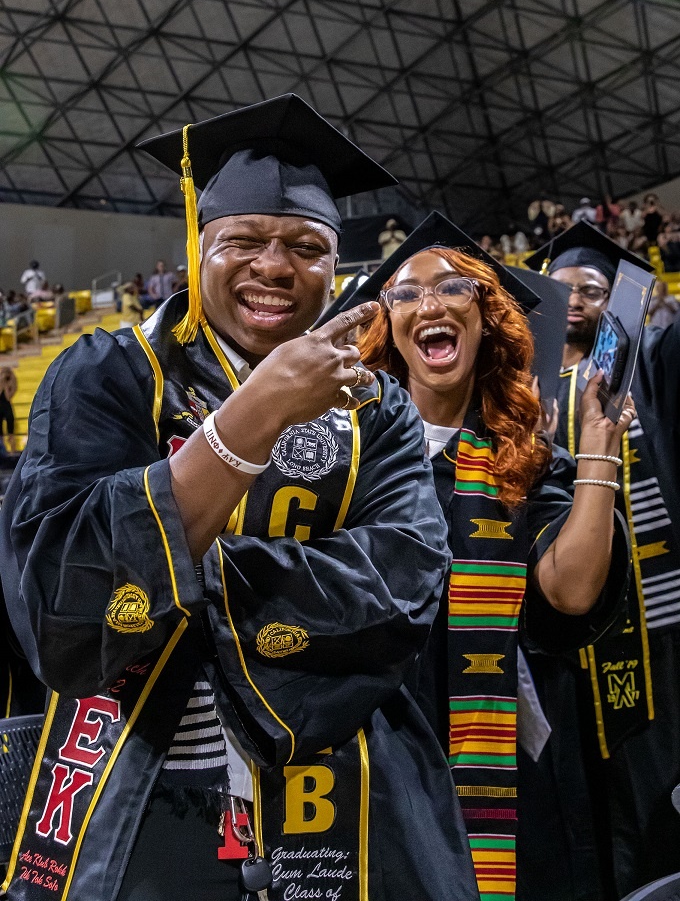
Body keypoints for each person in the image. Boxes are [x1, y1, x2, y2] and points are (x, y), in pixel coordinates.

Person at [0, 94, 478, 901]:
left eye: (305, 245)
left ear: (337, 263)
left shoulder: (379, 405)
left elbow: (403, 585)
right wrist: (251, 420)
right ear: (196, 247)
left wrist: (189, 562)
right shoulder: (109, 375)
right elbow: (60, 607)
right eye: (244, 240)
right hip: (139, 785)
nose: (275, 265)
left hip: (347, 778)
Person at [349, 212, 632, 901]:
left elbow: (570, 592)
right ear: (387, 324)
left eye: (453, 288)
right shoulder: (347, 454)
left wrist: (597, 453)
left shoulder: (528, 465)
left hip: (497, 754)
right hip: (371, 750)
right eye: (407, 293)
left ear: (487, 320)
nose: (431, 303)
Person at [521, 222, 680, 899]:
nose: (579, 300)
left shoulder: (640, 366)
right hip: (563, 641)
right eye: (565, 291)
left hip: (662, 627)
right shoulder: (523, 387)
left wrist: (638, 300)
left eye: (595, 289)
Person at [0, 366, 17, 454]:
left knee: (11, 431)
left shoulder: (12, 381)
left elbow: (8, 397)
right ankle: (3, 451)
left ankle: (13, 451)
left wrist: (6, 385)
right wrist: (2, 382)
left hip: (7, 406)